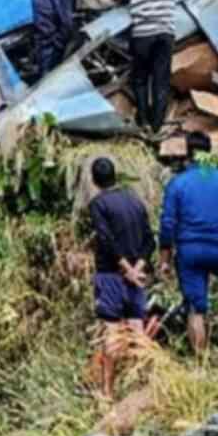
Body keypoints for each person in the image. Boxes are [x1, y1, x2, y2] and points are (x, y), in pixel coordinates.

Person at [159, 132, 218, 355]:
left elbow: (168, 223)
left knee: (196, 309)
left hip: (190, 252)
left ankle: (200, 365)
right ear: (209, 152)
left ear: (187, 153)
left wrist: (164, 259)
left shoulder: (177, 183)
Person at [88, 158, 156, 400]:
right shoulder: (134, 201)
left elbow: (106, 240)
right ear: (115, 176)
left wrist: (126, 269)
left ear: (94, 180)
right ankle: (146, 387)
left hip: (111, 276)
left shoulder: (98, 204)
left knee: (112, 332)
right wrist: (137, 269)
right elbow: (150, 239)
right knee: (138, 331)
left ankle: (107, 391)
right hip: (136, 278)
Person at [116, 0, 188, 131]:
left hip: (142, 33)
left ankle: (143, 119)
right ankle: (157, 124)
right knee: (161, 78)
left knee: (139, 78)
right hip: (165, 31)